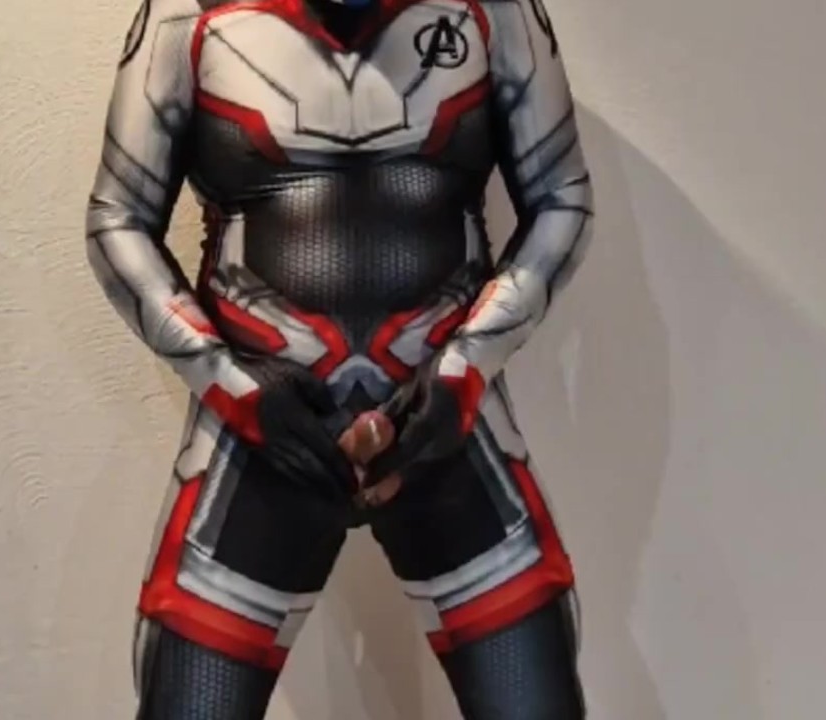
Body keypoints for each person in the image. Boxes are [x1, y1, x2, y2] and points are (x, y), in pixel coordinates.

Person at [85, 0, 594, 715]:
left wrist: (463, 371)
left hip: (436, 430)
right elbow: (117, 220)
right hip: (267, 438)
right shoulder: (184, 14)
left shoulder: (493, 10)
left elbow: (563, 199)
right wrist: (233, 385)